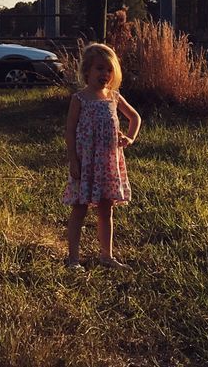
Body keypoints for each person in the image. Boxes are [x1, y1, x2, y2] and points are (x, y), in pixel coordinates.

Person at [63, 41, 141, 269]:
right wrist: (73, 161)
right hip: (86, 164)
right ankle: (73, 259)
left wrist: (130, 137)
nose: (105, 73)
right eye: (99, 68)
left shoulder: (114, 97)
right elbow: (69, 131)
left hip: (108, 164)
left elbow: (135, 117)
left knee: (106, 210)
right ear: (87, 70)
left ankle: (106, 256)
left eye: (109, 69)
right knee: (80, 208)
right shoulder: (79, 99)